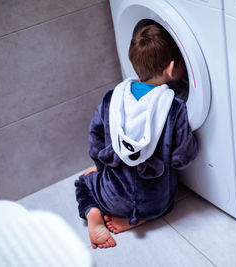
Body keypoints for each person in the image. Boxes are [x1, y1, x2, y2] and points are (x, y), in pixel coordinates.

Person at [74, 22, 198, 249]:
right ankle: (140, 216)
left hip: (112, 197)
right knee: (167, 198)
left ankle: (93, 213)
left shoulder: (113, 99)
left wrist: (100, 167)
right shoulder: (174, 107)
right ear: (171, 69)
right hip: (157, 201)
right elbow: (182, 158)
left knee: (83, 183)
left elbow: (95, 142)